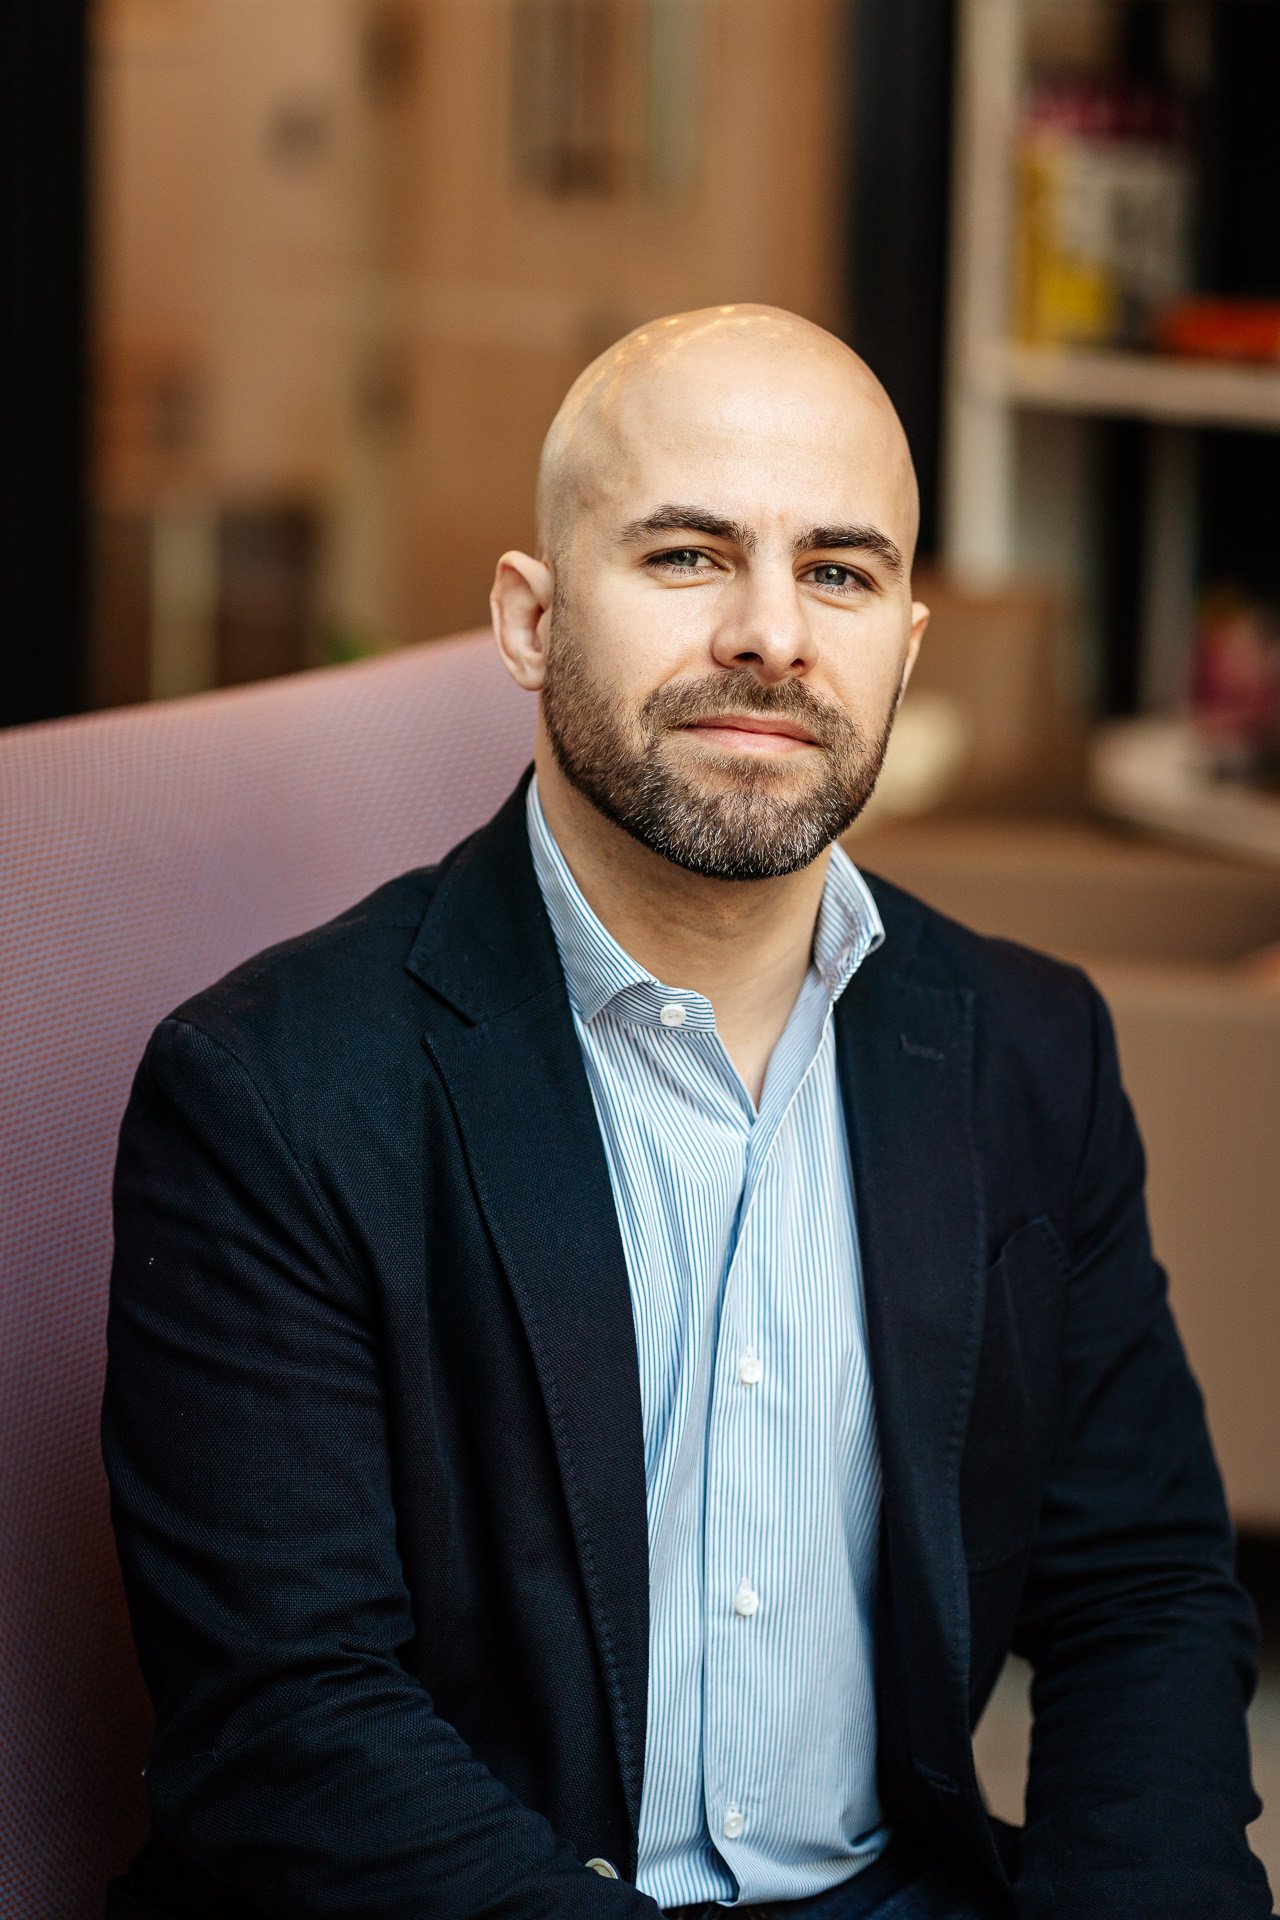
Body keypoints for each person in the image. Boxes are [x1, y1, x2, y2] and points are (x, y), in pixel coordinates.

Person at [102, 305, 1274, 1920]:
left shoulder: (1024, 1046)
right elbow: (291, 1730)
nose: (771, 634)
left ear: (904, 647)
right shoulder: (272, 1092)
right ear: (530, 619)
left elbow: (1142, 1594)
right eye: (686, 555)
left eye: (839, 573)